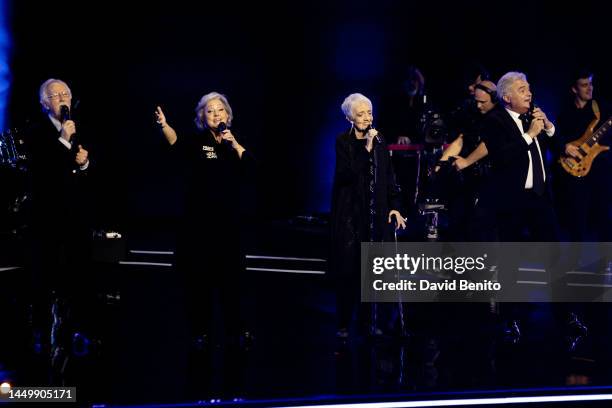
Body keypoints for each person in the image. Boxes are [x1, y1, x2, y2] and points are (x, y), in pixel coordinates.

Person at [154, 92, 254, 395]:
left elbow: (251, 169)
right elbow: (174, 143)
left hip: (229, 227)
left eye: (220, 110)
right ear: (202, 116)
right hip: (199, 227)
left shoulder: (232, 142)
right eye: (210, 111)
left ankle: (237, 330)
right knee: (200, 281)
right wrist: (164, 125)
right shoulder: (196, 143)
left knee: (232, 281)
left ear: (228, 114)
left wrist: (234, 144)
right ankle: (200, 332)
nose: (216, 114)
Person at [24, 78, 93, 385]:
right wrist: (64, 142)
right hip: (47, 220)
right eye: (56, 95)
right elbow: (42, 173)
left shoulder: (78, 127)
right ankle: (40, 335)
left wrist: (85, 162)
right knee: (46, 276)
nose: (63, 98)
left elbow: (80, 171)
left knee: (77, 275)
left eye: (66, 93)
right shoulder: (36, 131)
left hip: (75, 218)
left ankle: (75, 330)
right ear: (45, 103)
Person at [330, 93, 406, 340]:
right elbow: (346, 174)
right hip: (351, 216)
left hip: (376, 213)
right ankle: (343, 322)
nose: (366, 118)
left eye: (369, 113)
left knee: (373, 272)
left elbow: (388, 175)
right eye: (360, 114)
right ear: (349, 117)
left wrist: (394, 205)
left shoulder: (380, 140)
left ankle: (370, 322)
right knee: (349, 271)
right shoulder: (344, 142)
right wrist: (367, 149)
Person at [554, 69, 611, 243]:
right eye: (584, 85)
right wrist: (565, 146)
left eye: (591, 84)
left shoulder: (602, 107)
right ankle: (574, 259)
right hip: (574, 171)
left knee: (604, 216)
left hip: (599, 170)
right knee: (576, 218)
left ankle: (605, 260)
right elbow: (556, 137)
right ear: (574, 89)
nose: (589, 88)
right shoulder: (565, 112)